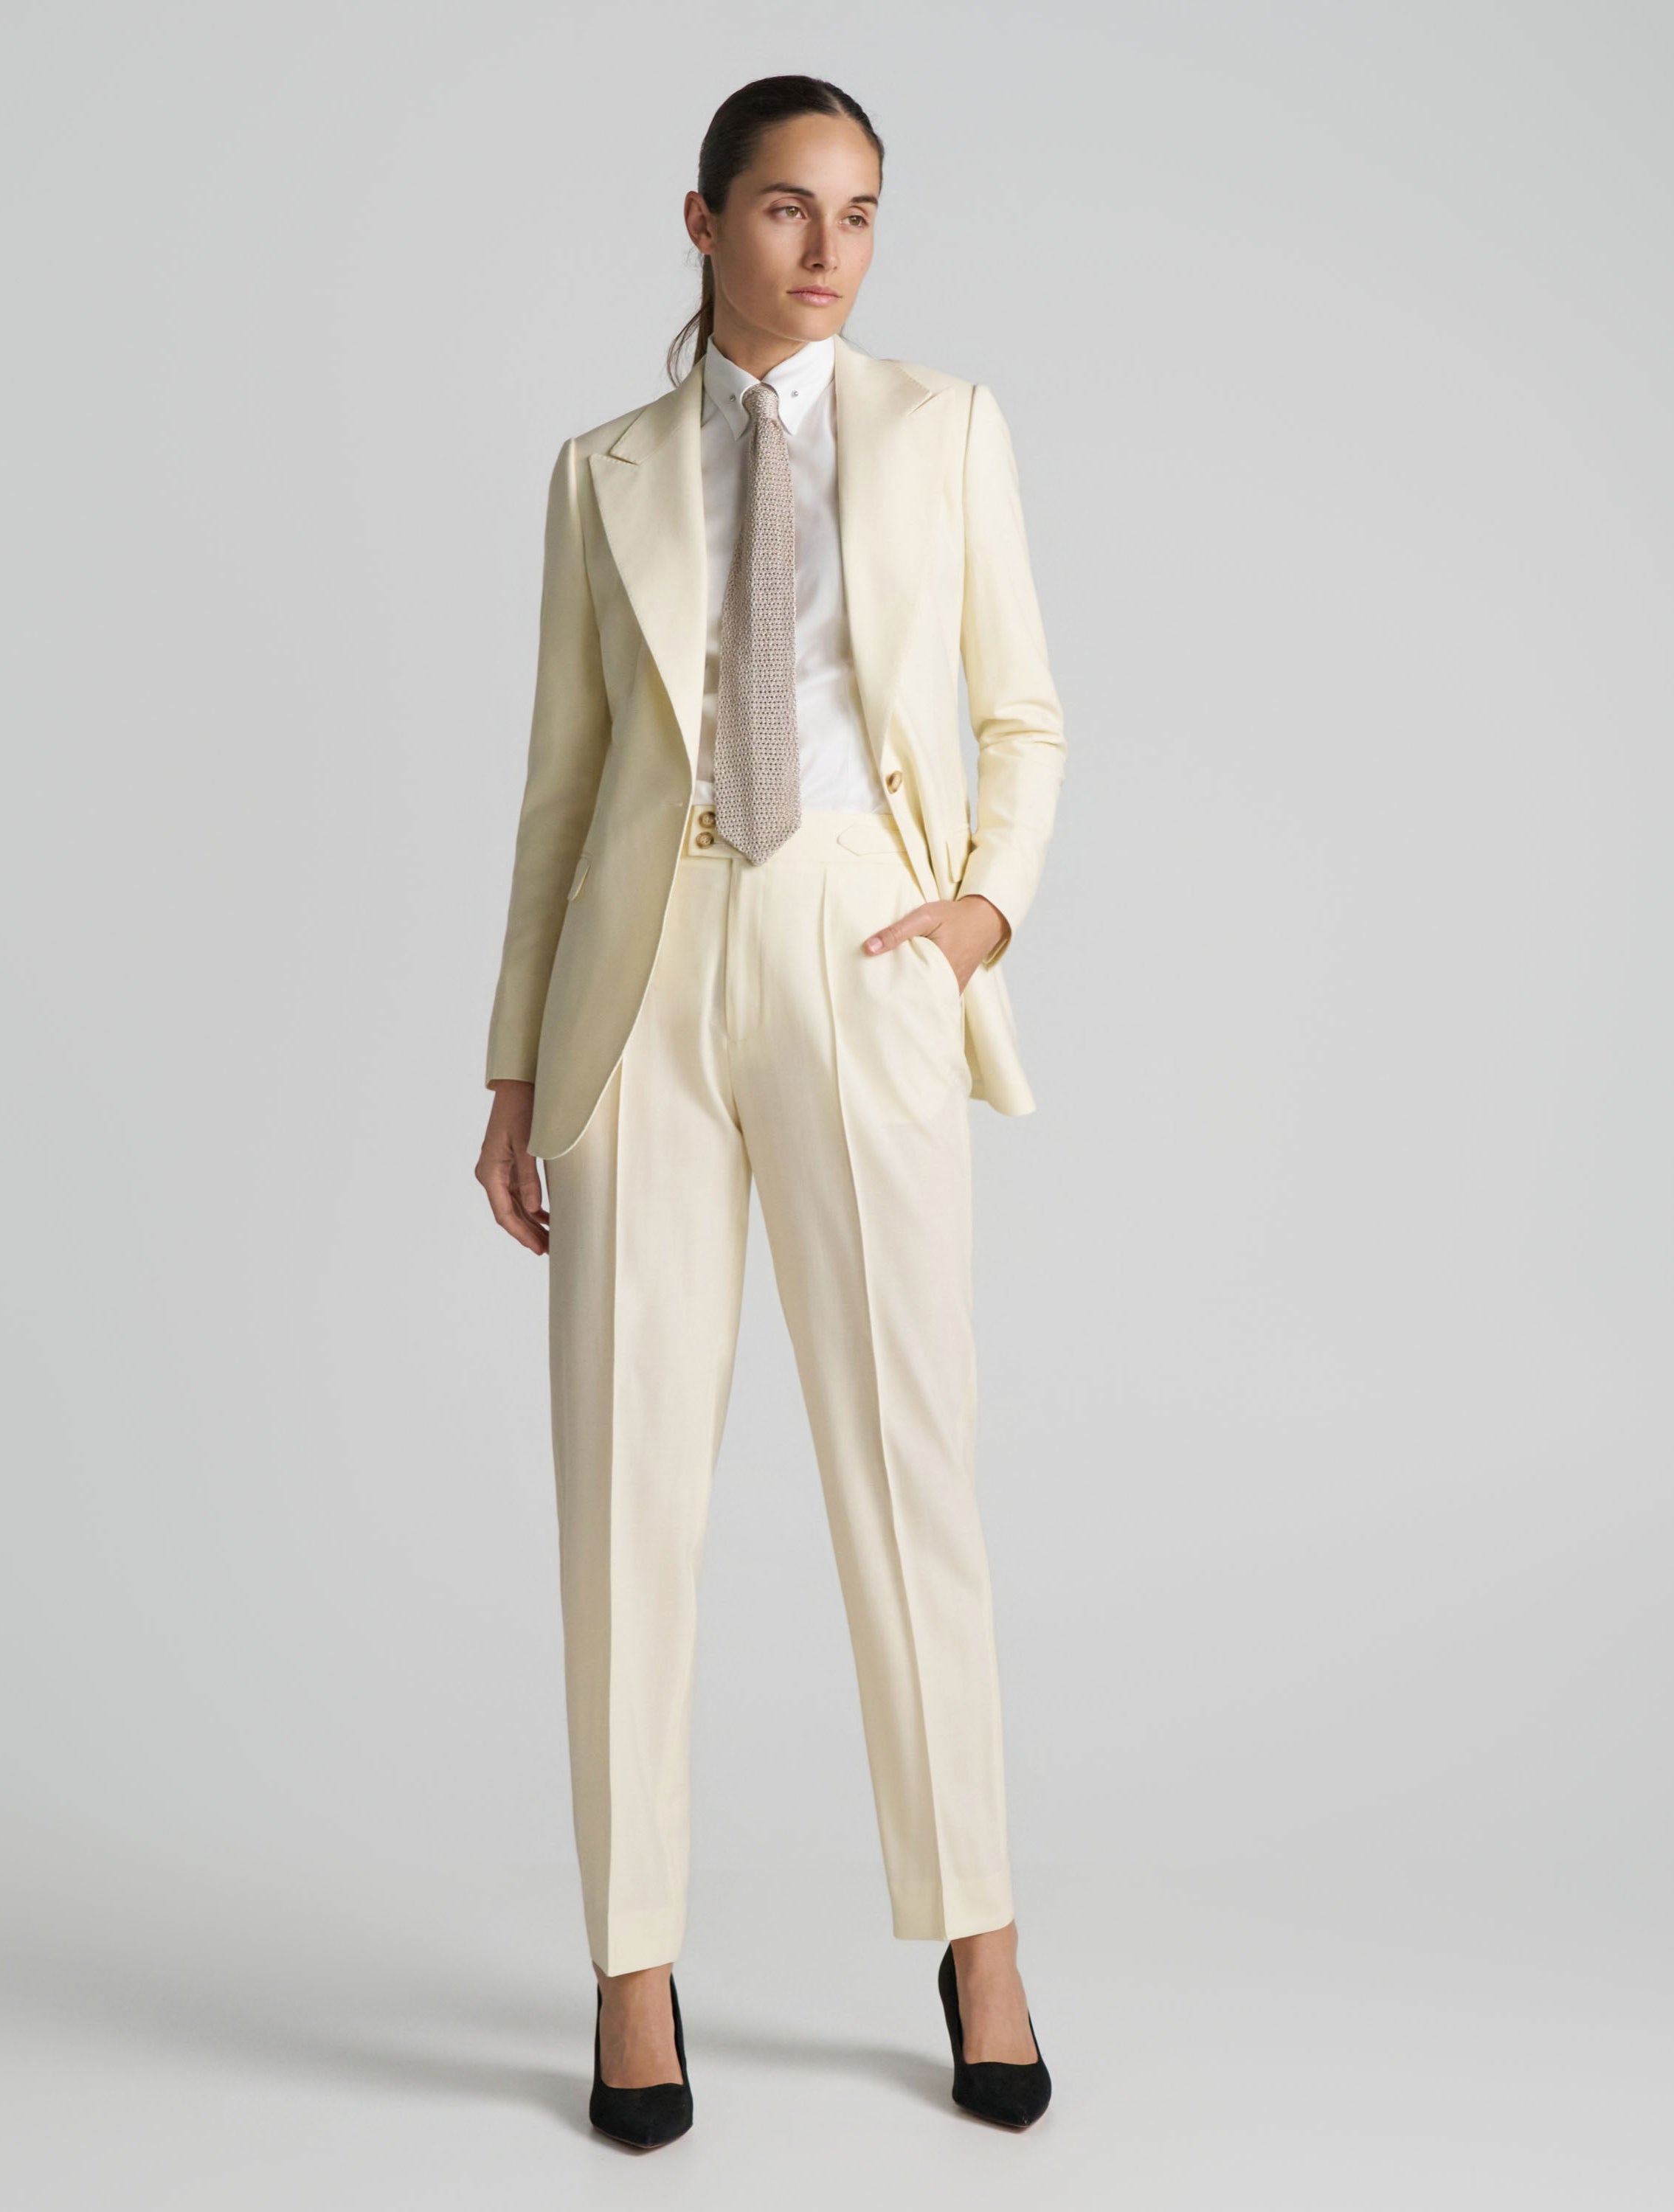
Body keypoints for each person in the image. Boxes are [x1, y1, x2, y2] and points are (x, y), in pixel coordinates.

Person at [474, 73, 1065, 2147]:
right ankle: (632, 1969)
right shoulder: (604, 471)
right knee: (624, 1483)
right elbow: (560, 786)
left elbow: (1023, 713)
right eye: (792, 209)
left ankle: (979, 1933)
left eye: (864, 212)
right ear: (705, 219)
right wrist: (513, 1063)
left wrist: (978, 913)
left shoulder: (944, 429)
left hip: (859, 944)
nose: (832, 251)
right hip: (637, 977)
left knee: (911, 1460)